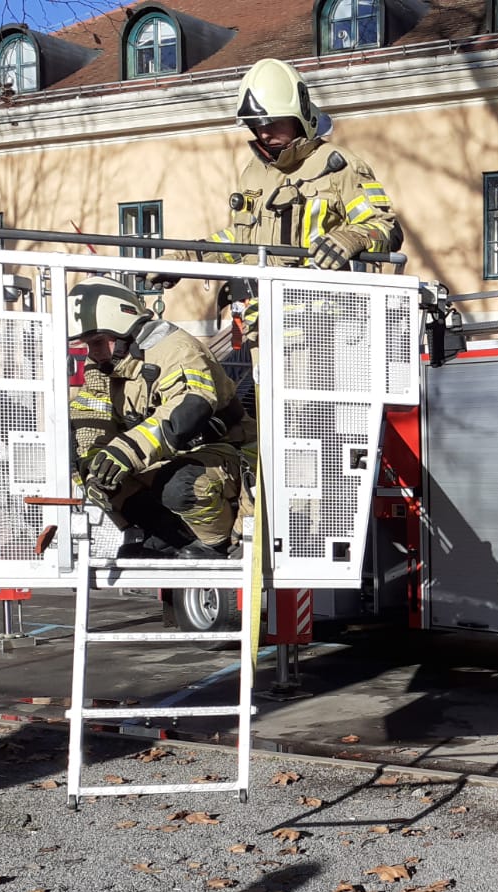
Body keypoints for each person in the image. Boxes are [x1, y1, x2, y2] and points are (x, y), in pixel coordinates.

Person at [151, 58, 402, 308]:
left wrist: (351, 238)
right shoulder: (255, 172)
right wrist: (183, 259)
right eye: (257, 125)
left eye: (274, 122)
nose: (264, 133)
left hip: (324, 323)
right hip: (260, 323)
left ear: (299, 116)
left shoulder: (339, 165)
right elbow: (242, 241)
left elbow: (387, 229)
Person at [68, 276, 253, 558]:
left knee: (181, 485)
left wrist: (126, 451)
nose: (92, 353)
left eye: (98, 342)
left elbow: (189, 409)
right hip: (166, 458)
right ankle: (167, 538)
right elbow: (90, 414)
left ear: (122, 327)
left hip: (225, 454)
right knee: (95, 471)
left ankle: (215, 545)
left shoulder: (174, 349)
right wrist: (94, 461)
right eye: (87, 344)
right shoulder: (106, 364)